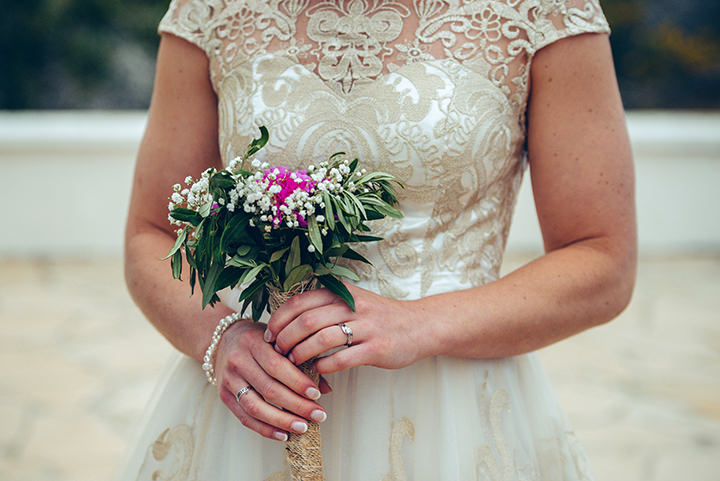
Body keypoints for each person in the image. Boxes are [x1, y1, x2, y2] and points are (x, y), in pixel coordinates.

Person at [120, 0, 636, 479]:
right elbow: (154, 232)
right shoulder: (213, 9)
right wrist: (219, 338)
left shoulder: (544, 11)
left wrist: (419, 322)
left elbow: (601, 259)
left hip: (448, 411)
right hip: (256, 403)